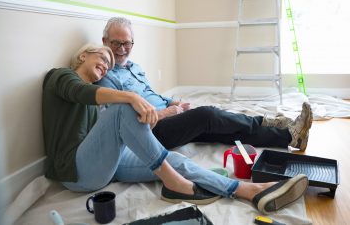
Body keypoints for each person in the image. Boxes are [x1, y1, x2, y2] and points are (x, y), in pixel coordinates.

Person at [42, 43, 308, 214]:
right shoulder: (59, 77)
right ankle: (172, 181)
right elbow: (80, 92)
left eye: (110, 64)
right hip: (75, 172)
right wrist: (133, 99)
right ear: (82, 54)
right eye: (102, 56)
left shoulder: (108, 88)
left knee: (176, 159)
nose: (106, 65)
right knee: (123, 108)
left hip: (102, 167)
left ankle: (246, 191)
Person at [97, 17, 313, 152]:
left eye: (127, 43)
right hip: (153, 130)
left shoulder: (134, 67)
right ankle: (266, 121)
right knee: (207, 115)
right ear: (105, 42)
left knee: (223, 130)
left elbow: (150, 94)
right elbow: (123, 122)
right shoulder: (106, 78)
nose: (122, 48)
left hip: (171, 115)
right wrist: (167, 113)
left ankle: (289, 137)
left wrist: (172, 102)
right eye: (116, 42)